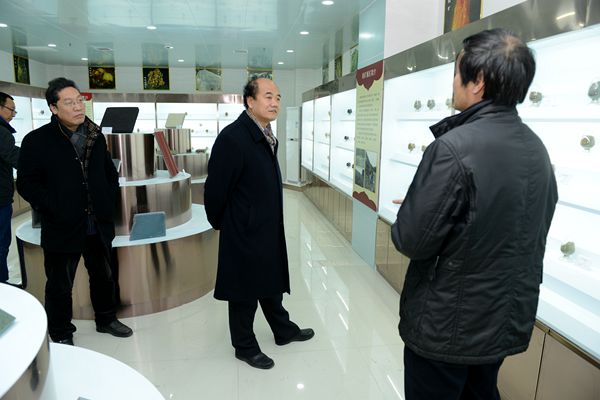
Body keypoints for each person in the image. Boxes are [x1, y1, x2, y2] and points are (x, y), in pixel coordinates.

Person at [391, 29, 558, 400]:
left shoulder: (453, 148)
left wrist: (416, 210)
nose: (453, 82)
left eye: (456, 72)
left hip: (446, 323)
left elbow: (411, 241)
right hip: (500, 320)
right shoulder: (537, 149)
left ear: (478, 80)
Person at [204, 77, 314, 369]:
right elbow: (215, 191)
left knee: (270, 280)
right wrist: (226, 223)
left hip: (266, 225)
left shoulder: (264, 133)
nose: (275, 102)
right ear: (250, 101)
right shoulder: (233, 138)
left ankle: (283, 330)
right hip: (244, 229)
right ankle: (244, 345)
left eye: (277, 97)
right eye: (268, 96)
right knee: (244, 290)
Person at [17, 78, 132, 345]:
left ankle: (106, 319)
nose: (78, 107)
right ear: (53, 108)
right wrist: (54, 207)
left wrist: (107, 198)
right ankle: (61, 332)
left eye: (80, 100)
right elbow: (27, 183)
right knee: (60, 284)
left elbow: (109, 173)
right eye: (69, 102)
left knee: (103, 275)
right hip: (62, 224)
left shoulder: (95, 135)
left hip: (97, 222)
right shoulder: (37, 141)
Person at [0, 92, 19, 284]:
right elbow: (14, 157)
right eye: (11, 109)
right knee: (1, 245)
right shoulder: (2, 132)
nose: (13, 114)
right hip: (0, 201)